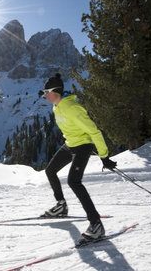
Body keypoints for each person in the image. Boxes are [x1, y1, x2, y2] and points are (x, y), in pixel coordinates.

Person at [40, 73, 117, 240]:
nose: (44, 95)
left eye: (46, 91)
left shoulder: (72, 108)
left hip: (83, 146)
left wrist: (104, 156)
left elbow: (94, 131)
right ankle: (61, 205)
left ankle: (96, 224)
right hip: (70, 144)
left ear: (56, 91)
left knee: (73, 181)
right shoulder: (56, 106)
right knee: (50, 171)